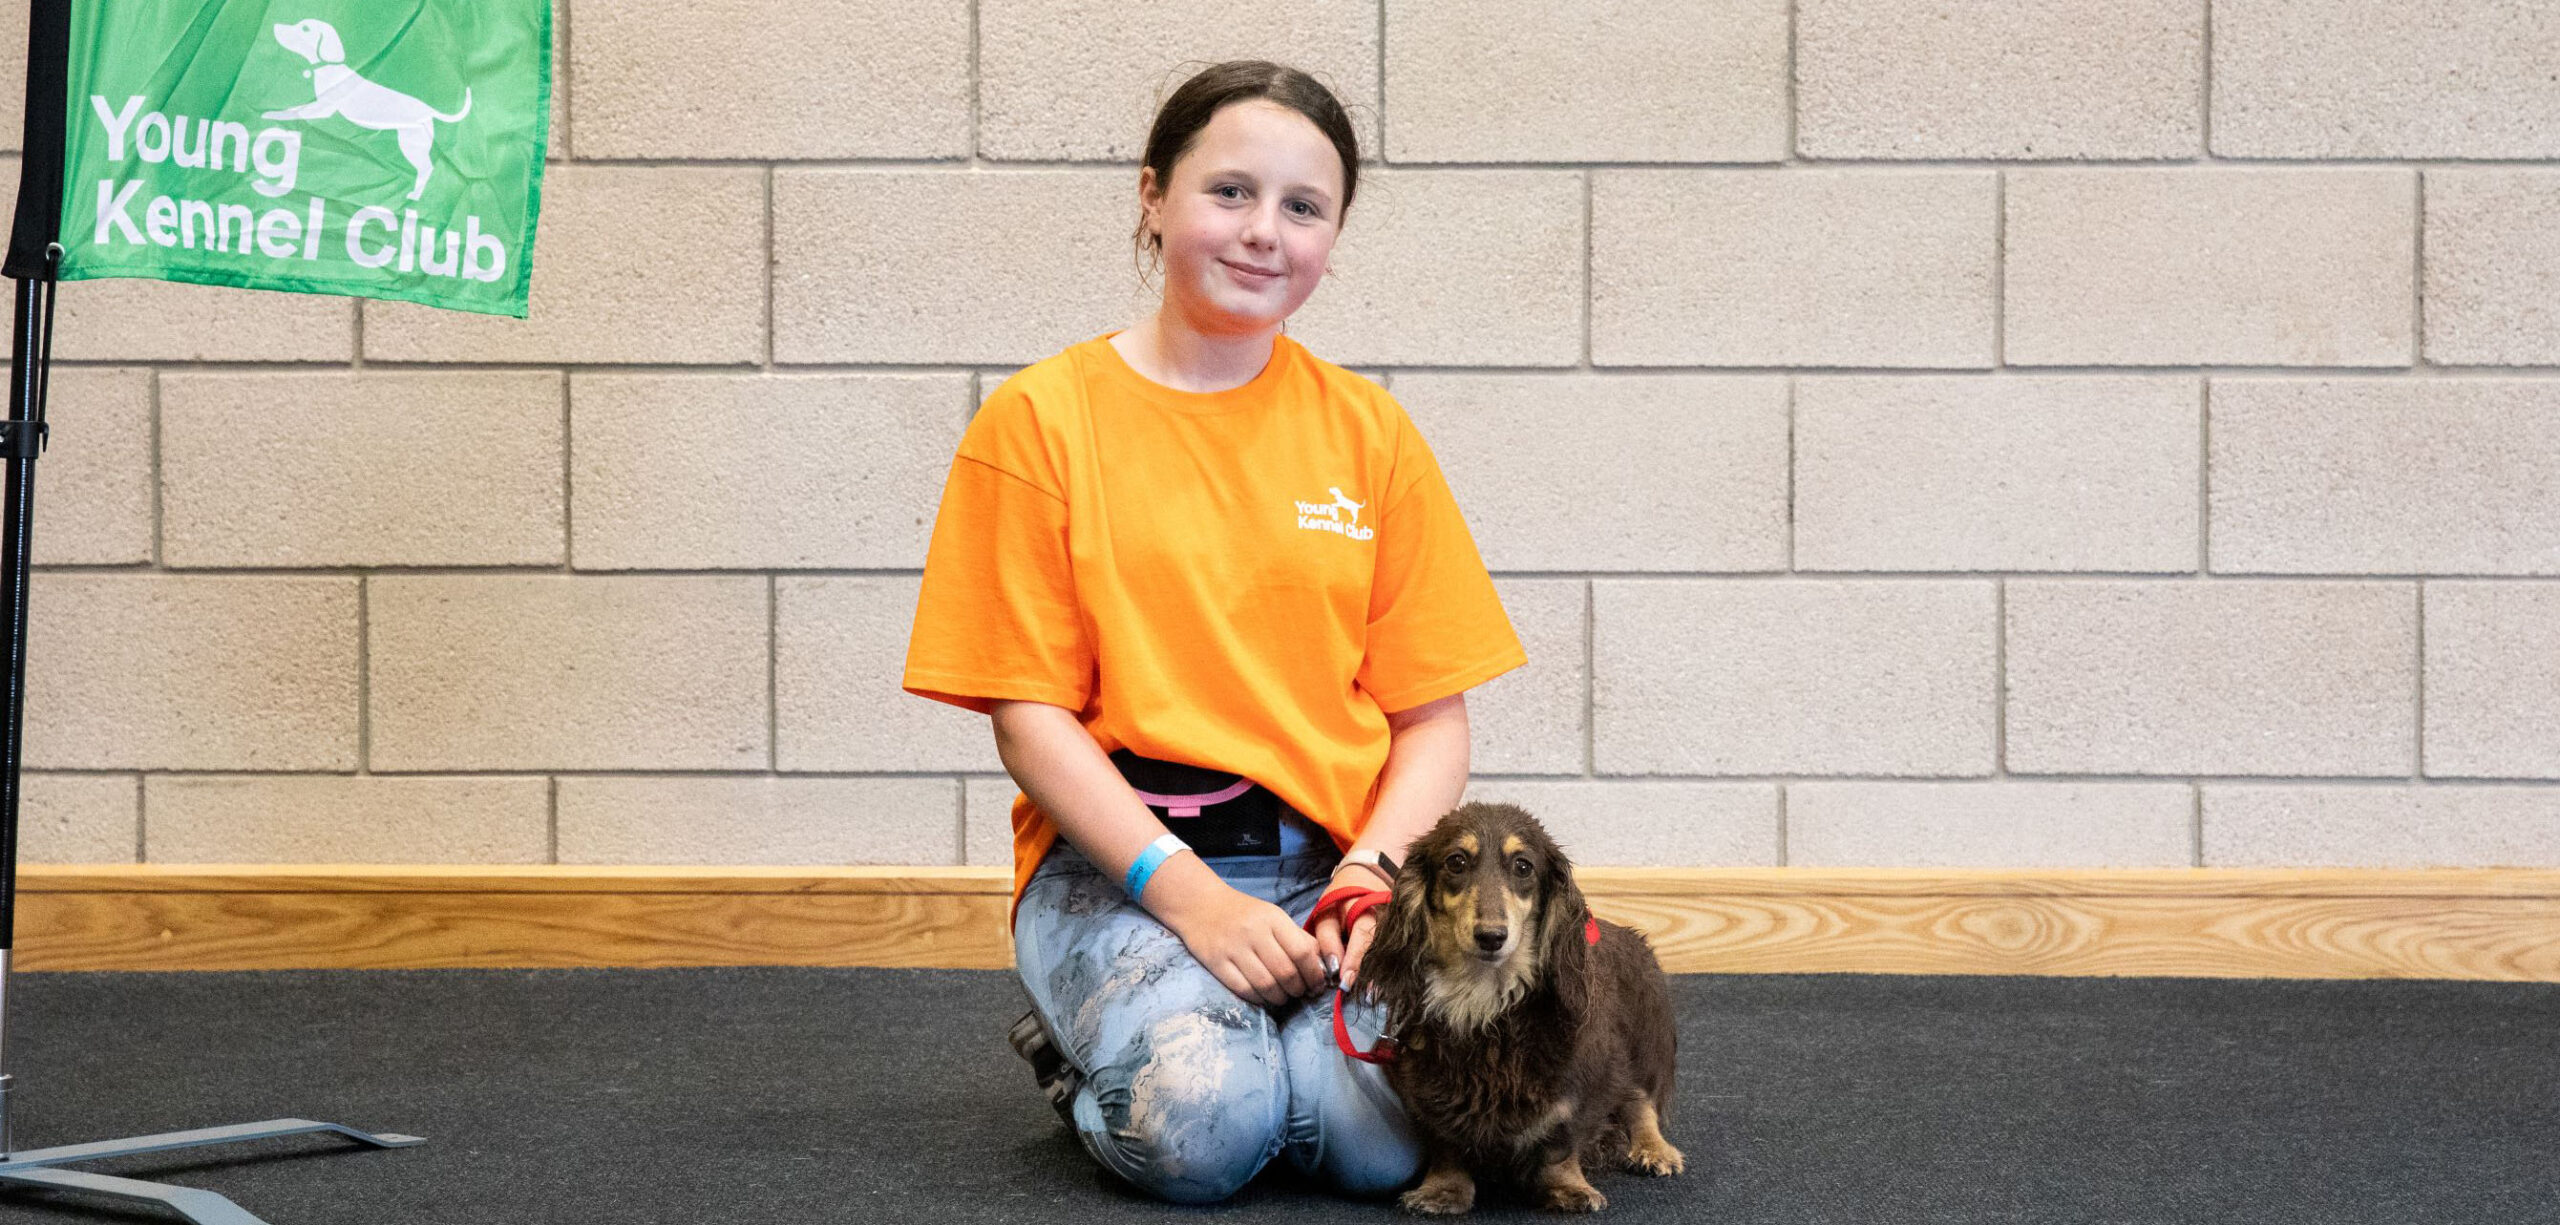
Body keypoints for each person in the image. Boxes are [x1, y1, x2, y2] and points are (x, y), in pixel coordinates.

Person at [899, 58, 1525, 1206]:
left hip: (1333, 874)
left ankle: (1244, 1048)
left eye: (1303, 207)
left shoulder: (1370, 434)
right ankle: (1108, 1057)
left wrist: (1369, 881)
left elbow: (1431, 714)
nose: (1263, 234)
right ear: (1151, 196)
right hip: (1122, 871)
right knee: (1201, 1135)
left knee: (1382, 1149)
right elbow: (1028, 718)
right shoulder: (1039, 420)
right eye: (1227, 192)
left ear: (1333, 234)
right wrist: (1189, 897)